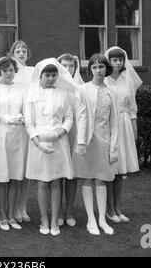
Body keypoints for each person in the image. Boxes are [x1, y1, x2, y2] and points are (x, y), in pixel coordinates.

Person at [25, 58, 82, 236]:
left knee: (56, 182)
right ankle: (44, 219)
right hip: (39, 142)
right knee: (42, 182)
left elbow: (69, 117)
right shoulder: (31, 94)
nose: (50, 78)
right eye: (47, 75)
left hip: (59, 141)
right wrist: (38, 142)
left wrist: (59, 133)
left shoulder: (63, 94)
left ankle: (55, 219)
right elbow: (28, 122)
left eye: (53, 75)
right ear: (40, 76)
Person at [72, 54, 119, 236]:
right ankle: (91, 219)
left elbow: (115, 122)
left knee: (101, 179)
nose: (98, 71)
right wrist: (81, 143)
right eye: (94, 67)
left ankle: (101, 219)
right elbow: (81, 116)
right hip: (87, 141)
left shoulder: (112, 92)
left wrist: (113, 147)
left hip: (104, 141)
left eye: (101, 67)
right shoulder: (82, 89)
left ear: (106, 69)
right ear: (90, 69)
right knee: (86, 178)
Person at [0, 56, 28, 230]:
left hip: (18, 135)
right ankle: (2, 214)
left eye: (11, 70)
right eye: (5, 70)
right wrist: (3, 118)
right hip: (0, 134)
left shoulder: (22, 89)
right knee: (3, 178)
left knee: (15, 178)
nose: (9, 73)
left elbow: (26, 110)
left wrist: (23, 118)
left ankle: (11, 215)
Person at [104, 46, 142, 223]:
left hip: (125, 125)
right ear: (109, 61)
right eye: (114, 60)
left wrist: (134, 131)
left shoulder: (128, 81)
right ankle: (108, 209)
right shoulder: (103, 80)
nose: (117, 63)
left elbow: (133, 108)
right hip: (109, 126)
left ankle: (117, 208)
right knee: (110, 170)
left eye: (120, 59)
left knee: (120, 171)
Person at [55, 53, 84, 227]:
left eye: (71, 65)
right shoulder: (54, 87)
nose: (67, 68)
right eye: (64, 65)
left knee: (72, 175)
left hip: (75, 134)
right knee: (58, 174)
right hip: (58, 133)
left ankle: (69, 211)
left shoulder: (80, 88)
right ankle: (58, 211)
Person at [9, 40, 32, 223]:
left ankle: (22, 207)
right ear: (13, 53)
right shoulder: (10, 71)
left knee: (26, 170)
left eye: (24, 50)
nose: (21, 52)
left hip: (29, 123)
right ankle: (13, 207)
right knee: (15, 169)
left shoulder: (32, 72)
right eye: (18, 50)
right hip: (14, 124)